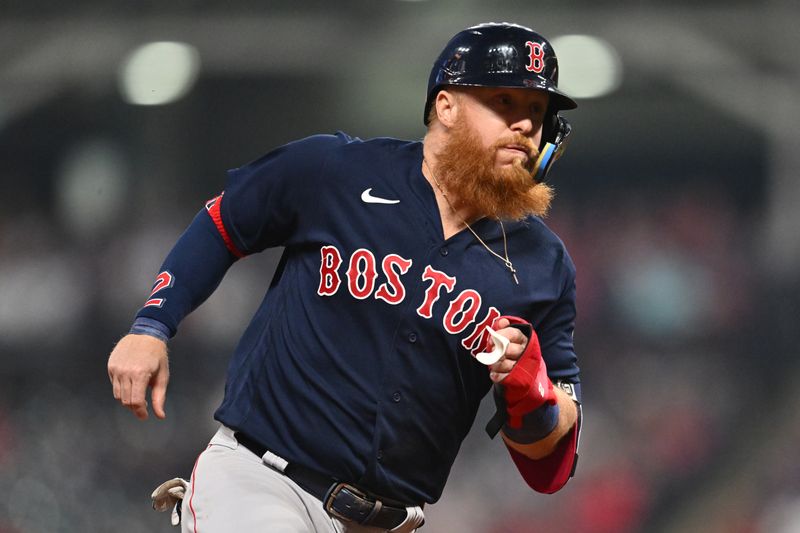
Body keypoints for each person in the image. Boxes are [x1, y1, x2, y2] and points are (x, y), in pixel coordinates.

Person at [108, 22, 583, 533]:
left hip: (392, 522)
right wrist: (152, 324)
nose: (524, 126)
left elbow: (548, 465)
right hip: (263, 484)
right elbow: (225, 223)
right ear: (446, 106)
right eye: (505, 102)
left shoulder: (542, 263)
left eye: (536, 112)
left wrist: (532, 394)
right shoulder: (338, 170)